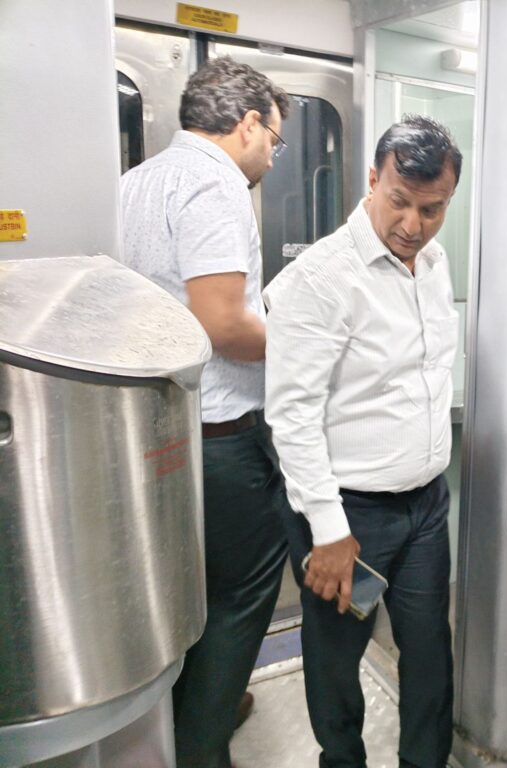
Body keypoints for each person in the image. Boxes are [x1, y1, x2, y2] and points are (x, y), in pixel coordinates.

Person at [264, 114, 462, 768]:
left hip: (426, 506)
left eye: (432, 209)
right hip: (350, 514)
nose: (413, 224)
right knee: (337, 659)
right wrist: (328, 530)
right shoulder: (322, 278)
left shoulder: (434, 264)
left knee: (429, 651)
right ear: (372, 180)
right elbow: (292, 415)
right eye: (400, 201)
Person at [119, 56, 291, 768]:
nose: (273, 157)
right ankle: (202, 746)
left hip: (156, 432)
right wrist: (300, 346)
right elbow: (221, 323)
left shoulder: (135, 181)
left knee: (185, 595)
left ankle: (195, 717)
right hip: (220, 438)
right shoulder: (216, 184)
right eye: (274, 140)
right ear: (248, 124)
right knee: (242, 595)